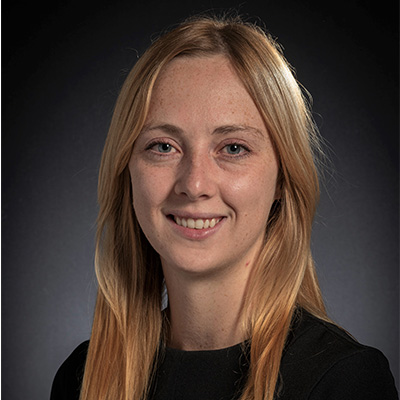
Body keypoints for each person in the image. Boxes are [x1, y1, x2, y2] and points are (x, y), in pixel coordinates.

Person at [50, 15, 398, 400]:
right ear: (126, 170)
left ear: (284, 176)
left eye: (233, 148)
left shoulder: (346, 381)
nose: (194, 185)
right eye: (163, 146)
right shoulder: (81, 378)